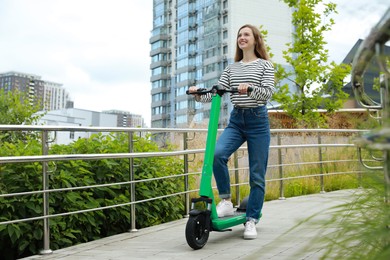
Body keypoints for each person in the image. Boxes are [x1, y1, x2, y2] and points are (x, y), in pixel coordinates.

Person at [188, 24, 275, 240]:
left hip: (258, 121)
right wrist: (199, 93)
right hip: (236, 120)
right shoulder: (232, 68)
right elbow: (217, 92)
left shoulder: (265, 66)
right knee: (217, 155)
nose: (241, 38)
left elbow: (267, 94)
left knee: (256, 174)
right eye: (239, 35)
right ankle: (226, 201)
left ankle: (251, 220)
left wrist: (251, 88)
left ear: (256, 39)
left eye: (246, 34)